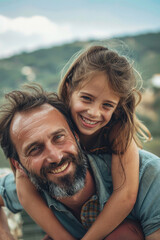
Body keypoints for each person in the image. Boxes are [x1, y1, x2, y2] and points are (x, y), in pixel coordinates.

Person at [16, 45, 151, 239]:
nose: (94, 113)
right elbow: (24, 191)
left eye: (107, 105)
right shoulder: (53, 123)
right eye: (87, 99)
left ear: (118, 107)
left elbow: (125, 195)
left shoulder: (118, 133)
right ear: (70, 88)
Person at [0, 85, 159, 240]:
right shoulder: (30, 187)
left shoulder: (149, 178)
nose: (55, 157)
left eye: (59, 137)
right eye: (35, 149)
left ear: (76, 136)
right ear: (18, 165)